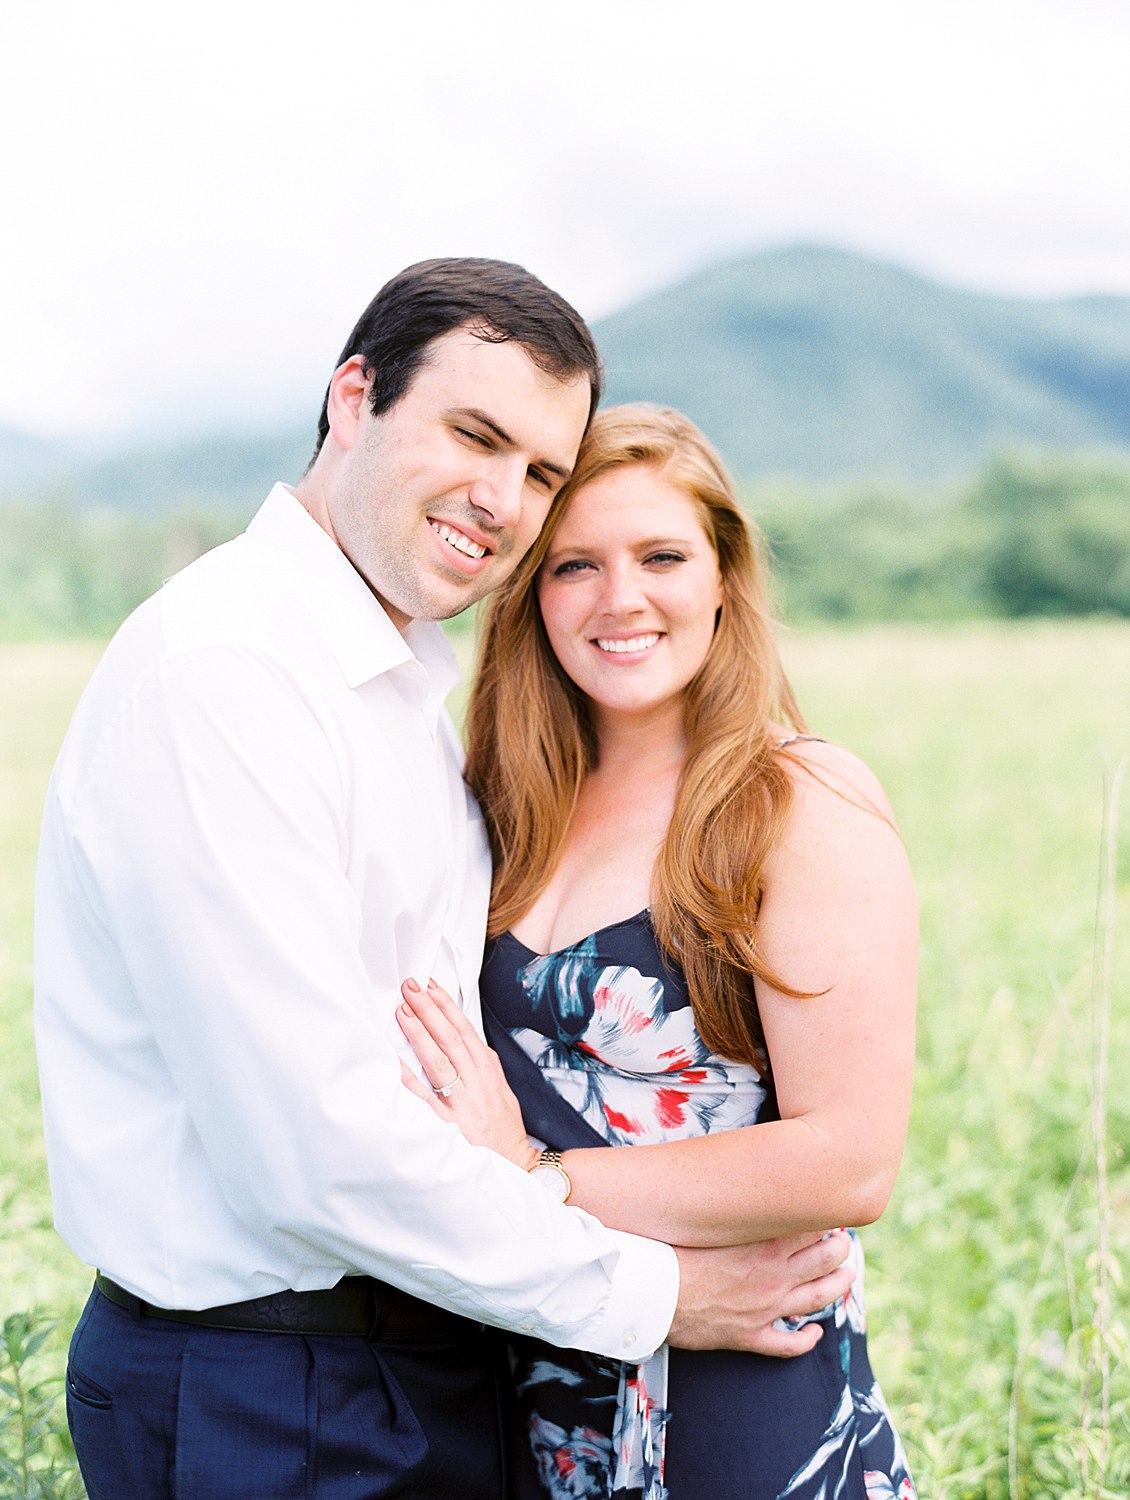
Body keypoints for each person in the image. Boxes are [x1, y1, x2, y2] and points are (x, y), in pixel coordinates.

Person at [34, 263, 855, 1500]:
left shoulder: (400, 686)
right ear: (353, 396)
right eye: (473, 435)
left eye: (537, 472)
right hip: (269, 1387)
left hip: (435, 1357)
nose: (503, 501)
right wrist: (655, 1290)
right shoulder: (226, 677)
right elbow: (313, 1156)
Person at [395, 403, 919, 1499]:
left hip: (733, 1379)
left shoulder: (794, 799)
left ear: (723, 575)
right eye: (573, 564)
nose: (618, 599)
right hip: (518, 1383)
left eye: (661, 556)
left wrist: (534, 1178)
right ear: (530, 596)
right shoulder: (497, 804)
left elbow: (852, 1156)